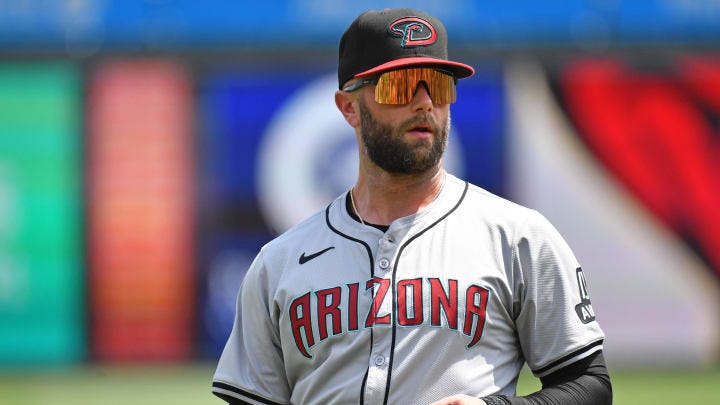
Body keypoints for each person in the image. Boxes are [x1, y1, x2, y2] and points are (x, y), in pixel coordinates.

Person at [212, 8, 612, 405]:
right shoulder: (278, 263)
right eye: (400, 86)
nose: (424, 104)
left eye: (438, 86)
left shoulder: (518, 237)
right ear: (349, 107)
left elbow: (589, 387)